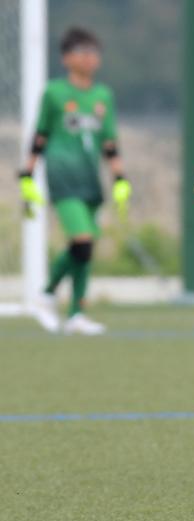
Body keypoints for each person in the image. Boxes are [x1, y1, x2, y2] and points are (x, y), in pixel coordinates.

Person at [20, 27, 132, 336]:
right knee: (82, 240)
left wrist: (120, 179)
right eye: (82, 52)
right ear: (66, 58)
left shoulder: (102, 96)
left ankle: (76, 314)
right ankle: (46, 294)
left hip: (89, 179)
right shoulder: (54, 93)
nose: (90, 58)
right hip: (62, 178)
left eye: (94, 52)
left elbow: (109, 142)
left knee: (84, 247)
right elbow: (40, 135)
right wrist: (26, 175)